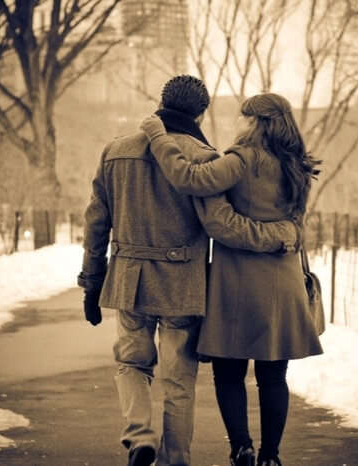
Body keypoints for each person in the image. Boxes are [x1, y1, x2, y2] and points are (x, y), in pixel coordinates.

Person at [78, 76, 300, 466]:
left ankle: (140, 434)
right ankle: (175, 459)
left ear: (161, 101)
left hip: (130, 278)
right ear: (201, 112)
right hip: (182, 282)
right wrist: (283, 234)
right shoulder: (205, 156)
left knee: (131, 363)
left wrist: (92, 280)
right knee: (179, 381)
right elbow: (220, 223)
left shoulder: (114, 152)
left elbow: (96, 221)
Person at [140, 92, 324, 466]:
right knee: (274, 375)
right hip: (283, 282)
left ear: (254, 122)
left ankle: (241, 447)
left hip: (237, 283)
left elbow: (188, 177)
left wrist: (158, 137)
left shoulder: (240, 161)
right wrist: (282, 235)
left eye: (244, 117)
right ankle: (271, 456)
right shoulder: (296, 165)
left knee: (229, 372)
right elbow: (295, 225)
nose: (239, 123)